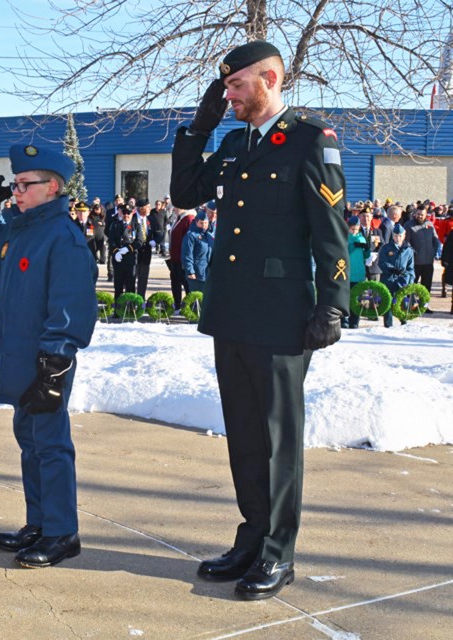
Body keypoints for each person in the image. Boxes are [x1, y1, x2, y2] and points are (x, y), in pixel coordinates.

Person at [170, 40, 349, 600]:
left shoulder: (309, 139)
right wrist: (197, 131)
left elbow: (331, 229)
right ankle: (251, 540)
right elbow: (182, 193)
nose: (227, 95)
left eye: (235, 85)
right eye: (224, 88)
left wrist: (334, 303)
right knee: (245, 435)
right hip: (232, 309)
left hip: (281, 316)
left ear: (269, 79)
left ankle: (278, 553)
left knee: (277, 439)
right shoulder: (232, 142)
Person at [0, 144, 97, 569]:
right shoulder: (21, 228)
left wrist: (55, 364)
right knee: (30, 442)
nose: (16, 192)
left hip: (46, 360)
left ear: (53, 187)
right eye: (15, 184)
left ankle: (62, 531)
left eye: (25, 184)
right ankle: (39, 522)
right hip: (20, 357)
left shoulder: (64, 238)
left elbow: (70, 307)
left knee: (51, 444)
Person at [404, 207, 441, 311]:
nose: (420, 216)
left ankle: (424, 305)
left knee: (426, 285)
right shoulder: (409, 225)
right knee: (412, 285)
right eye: (418, 214)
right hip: (414, 262)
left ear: (426, 215)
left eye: (422, 214)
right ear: (415, 214)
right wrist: (412, 252)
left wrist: (434, 251)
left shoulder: (430, 225)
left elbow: (435, 239)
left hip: (428, 262)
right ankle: (411, 305)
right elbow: (405, 241)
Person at [379, 224, 415, 327]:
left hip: (402, 280)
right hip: (389, 278)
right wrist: (392, 269)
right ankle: (388, 324)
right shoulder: (386, 248)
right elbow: (382, 262)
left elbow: (410, 267)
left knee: (403, 301)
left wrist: (409, 280)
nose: (397, 238)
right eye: (395, 236)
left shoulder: (408, 249)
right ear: (392, 236)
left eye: (400, 236)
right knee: (389, 301)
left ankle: (404, 322)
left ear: (404, 236)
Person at [167, 206, 196, 309]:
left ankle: (190, 307)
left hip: (182, 259)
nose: (173, 209)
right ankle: (178, 305)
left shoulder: (189, 218)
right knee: (175, 282)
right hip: (175, 259)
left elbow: (189, 241)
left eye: (175, 207)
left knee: (186, 284)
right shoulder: (179, 218)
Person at [345, 216, 370, 328]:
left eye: (356, 229)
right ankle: (344, 319)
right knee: (346, 297)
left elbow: (366, 256)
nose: (354, 231)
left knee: (357, 298)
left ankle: (355, 321)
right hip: (348, 272)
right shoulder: (345, 238)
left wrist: (366, 248)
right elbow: (344, 252)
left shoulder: (361, 238)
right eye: (352, 229)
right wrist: (352, 246)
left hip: (359, 272)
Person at [181, 210, 214, 294]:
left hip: (207, 273)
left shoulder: (208, 235)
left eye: (206, 223)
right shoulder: (190, 235)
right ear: (196, 222)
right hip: (196, 274)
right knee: (197, 301)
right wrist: (190, 271)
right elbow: (187, 255)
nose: (204, 226)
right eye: (201, 223)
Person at [131, 198, 155, 297]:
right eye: (148, 207)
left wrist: (154, 240)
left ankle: (140, 300)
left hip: (146, 253)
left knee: (143, 278)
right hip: (134, 253)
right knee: (131, 278)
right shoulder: (132, 219)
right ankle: (131, 300)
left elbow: (154, 233)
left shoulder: (150, 219)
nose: (150, 209)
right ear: (141, 209)